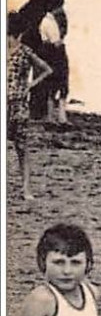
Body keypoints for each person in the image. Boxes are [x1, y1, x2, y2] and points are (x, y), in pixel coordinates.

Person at [7, 14, 52, 200]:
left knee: (21, 148)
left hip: (17, 105)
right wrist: (29, 86)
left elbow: (47, 69)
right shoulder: (24, 51)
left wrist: (30, 85)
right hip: (17, 103)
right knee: (22, 149)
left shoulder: (25, 51)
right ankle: (26, 190)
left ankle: (26, 189)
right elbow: (47, 69)